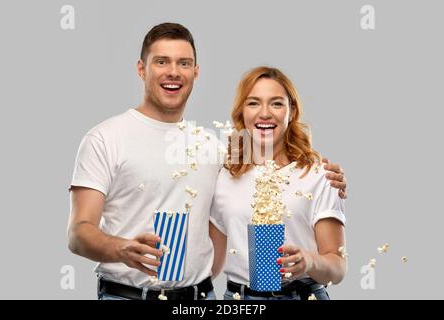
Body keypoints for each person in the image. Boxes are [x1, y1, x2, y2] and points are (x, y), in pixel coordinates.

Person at [67, 22, 347, 300]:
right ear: (142, 69)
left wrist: (323, 174)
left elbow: (269, 168)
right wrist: (122, 249)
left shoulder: (212, 150)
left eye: (184, 63)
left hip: (203, 298)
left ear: (195, 72)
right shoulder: (105, 138)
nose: (173, 72)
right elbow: (78, 234)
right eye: (162, 61)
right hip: (127, 295)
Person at [209, 66, 346, 300]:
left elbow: (338, 269)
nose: (264, 113)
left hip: (302, 294)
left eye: (276, 103)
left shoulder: (317, 175)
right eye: (253, 103)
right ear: (241, 112)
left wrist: (309, 261)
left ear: (291, 111)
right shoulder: (224, 177)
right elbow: (210, 266)